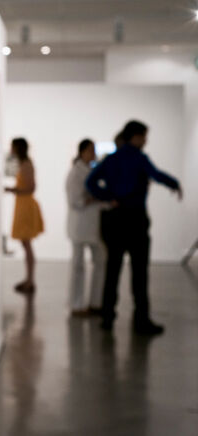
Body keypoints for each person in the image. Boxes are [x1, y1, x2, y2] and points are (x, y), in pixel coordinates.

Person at [86, 120, 182, 335]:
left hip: (114, 220)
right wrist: (174, 183)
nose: (145, 141)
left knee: (113, 269)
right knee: (139, 273)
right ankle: (141, 320)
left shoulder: (111, 159)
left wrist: (108, 197)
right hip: (135, 220)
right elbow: (156, 175)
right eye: (144, 136)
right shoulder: (139, 158)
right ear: (135, 137)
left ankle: (108, 317)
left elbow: (91, 183)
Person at [65, 139, 106, 317]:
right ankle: (77, 305)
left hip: (93, 225)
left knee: (101, 262)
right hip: (80, 226)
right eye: (90, 150)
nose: (93, 154)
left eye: (93, 150)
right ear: (81, 152)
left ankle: (96, 302)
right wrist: (94, 199)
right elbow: (75, 201)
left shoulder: (91, 171)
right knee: (78, 266)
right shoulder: (75, 173)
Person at [6, 138, 45, 294]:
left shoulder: (26, 164)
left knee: (27, 244)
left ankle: (30, 280)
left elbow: (31, 187)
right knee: (25, 244)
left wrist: (13, 190)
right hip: (22, 204)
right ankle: (29, 279)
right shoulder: (24, 163)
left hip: (25, 205)